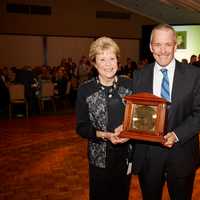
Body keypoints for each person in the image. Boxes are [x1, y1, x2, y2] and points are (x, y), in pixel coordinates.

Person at [132, 24, 200, 200]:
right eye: (157, 44)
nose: (162, 50)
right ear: (150, 46)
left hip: (182, 153)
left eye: (168, 44)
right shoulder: (139, 76)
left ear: (175, 46)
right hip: (148, 156)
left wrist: (177, 134)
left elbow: (199, 113)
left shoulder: (194, 75)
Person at [75, 36, 134, 200]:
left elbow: (137, 117)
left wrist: (128, 130)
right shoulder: (86, 90)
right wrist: (105, 135)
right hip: (99, 156)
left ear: (118, 61)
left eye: (112, 58)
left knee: (122, 195)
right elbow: (81, 127)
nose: (108, 64)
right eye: (102, 59)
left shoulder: (129, 85)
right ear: (94, 63)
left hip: (125, 155)